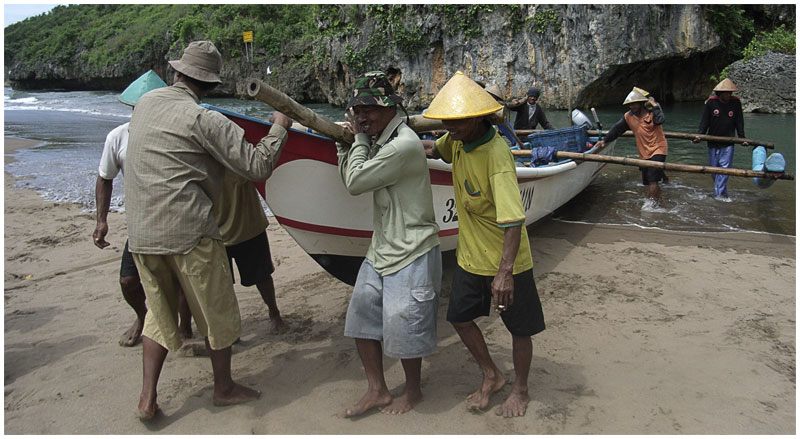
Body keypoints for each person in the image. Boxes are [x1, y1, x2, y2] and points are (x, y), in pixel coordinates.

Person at [124, 40, 293, 420]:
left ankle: (147, 398)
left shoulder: (147, 104)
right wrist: (280, 127)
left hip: (140, 232)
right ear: (211, 84)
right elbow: (256, 165)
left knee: (159, 312)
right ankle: (224, 387)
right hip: (188, 232)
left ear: (176, 73)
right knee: (218, 311)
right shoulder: (205, 120)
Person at [421, 72, 546, 418]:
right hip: (470, 258)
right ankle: (492, 374)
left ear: (477, 118)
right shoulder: (457, 139)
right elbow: (434, 148)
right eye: (447, 119)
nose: (450, 125)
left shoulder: (497, 156)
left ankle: (520, 388)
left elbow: (513, 220)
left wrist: (504, 273)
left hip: (507, 263)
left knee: (518, 328)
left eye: (458, 120)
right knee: (459, 318)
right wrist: (394, 143)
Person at [337, 71, 442, 417]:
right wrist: (347, 146)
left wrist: (358, 143)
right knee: (360, 319)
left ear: (388, 109)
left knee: (406, 324)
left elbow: (355, 181)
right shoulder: (379, 138)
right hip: (381, 247)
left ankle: (413, 392)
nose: (361, 116)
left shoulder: (403, 145)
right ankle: (377, 389)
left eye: (369, 109)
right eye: (357, 110)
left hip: (412, 248)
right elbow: (353, 173)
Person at [92, 70, 193, 346]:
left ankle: (185, 326)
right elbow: (105, 177)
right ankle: (145, 316)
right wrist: (102, 220)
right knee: (128, 280)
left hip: (177, 215)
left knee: (182, 279)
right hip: (142, 221)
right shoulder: (118, 136)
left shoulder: (176, 131)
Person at [214, 168, 288, 333]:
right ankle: (230, 325)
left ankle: (274, 313)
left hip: (248, 225)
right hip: (215, 233)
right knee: (220, 285)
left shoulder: (239, 151)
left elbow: (261, 167)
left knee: (262, 276)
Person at [596, 87, 669, 207]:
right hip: (644, 151)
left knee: (652, 180)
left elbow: (660, 120)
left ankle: (651, 206)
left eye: (634, 104)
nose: (632, 107)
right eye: (630, 105)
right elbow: (617, 129)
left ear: (641, 104)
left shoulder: (652, 113)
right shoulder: (629, 117)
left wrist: (655, 105)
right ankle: (660, 200)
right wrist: (605, 141)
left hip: (658, 148)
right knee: (648, 181)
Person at [692, 78, 748, 201]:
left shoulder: (736, 102)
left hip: (728, 142)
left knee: (724, 170)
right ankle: (723, 193)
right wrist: (699, 135)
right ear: (720, 93)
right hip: (712, 141)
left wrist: (742, 137)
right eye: (725, 93)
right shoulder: (711, 103)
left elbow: (739, 121)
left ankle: (718, 196)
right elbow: (705, 121)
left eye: (729, 93)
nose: (728, 95)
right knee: (714, 170)